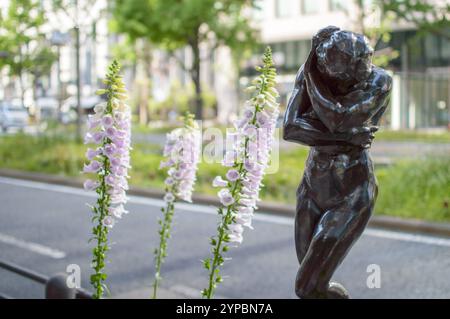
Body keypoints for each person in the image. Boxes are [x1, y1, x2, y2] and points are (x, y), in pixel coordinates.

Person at [283, 26, 392, 298]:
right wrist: (348, 138)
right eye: (335, 80)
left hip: (351, 195)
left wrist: (333, 125)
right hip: (311, 188)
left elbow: (338, 118)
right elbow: (291, 128)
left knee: (306, 287)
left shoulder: (379, 80)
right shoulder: (313, 72)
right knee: (313, 285)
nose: (340, 87)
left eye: (349, 82)